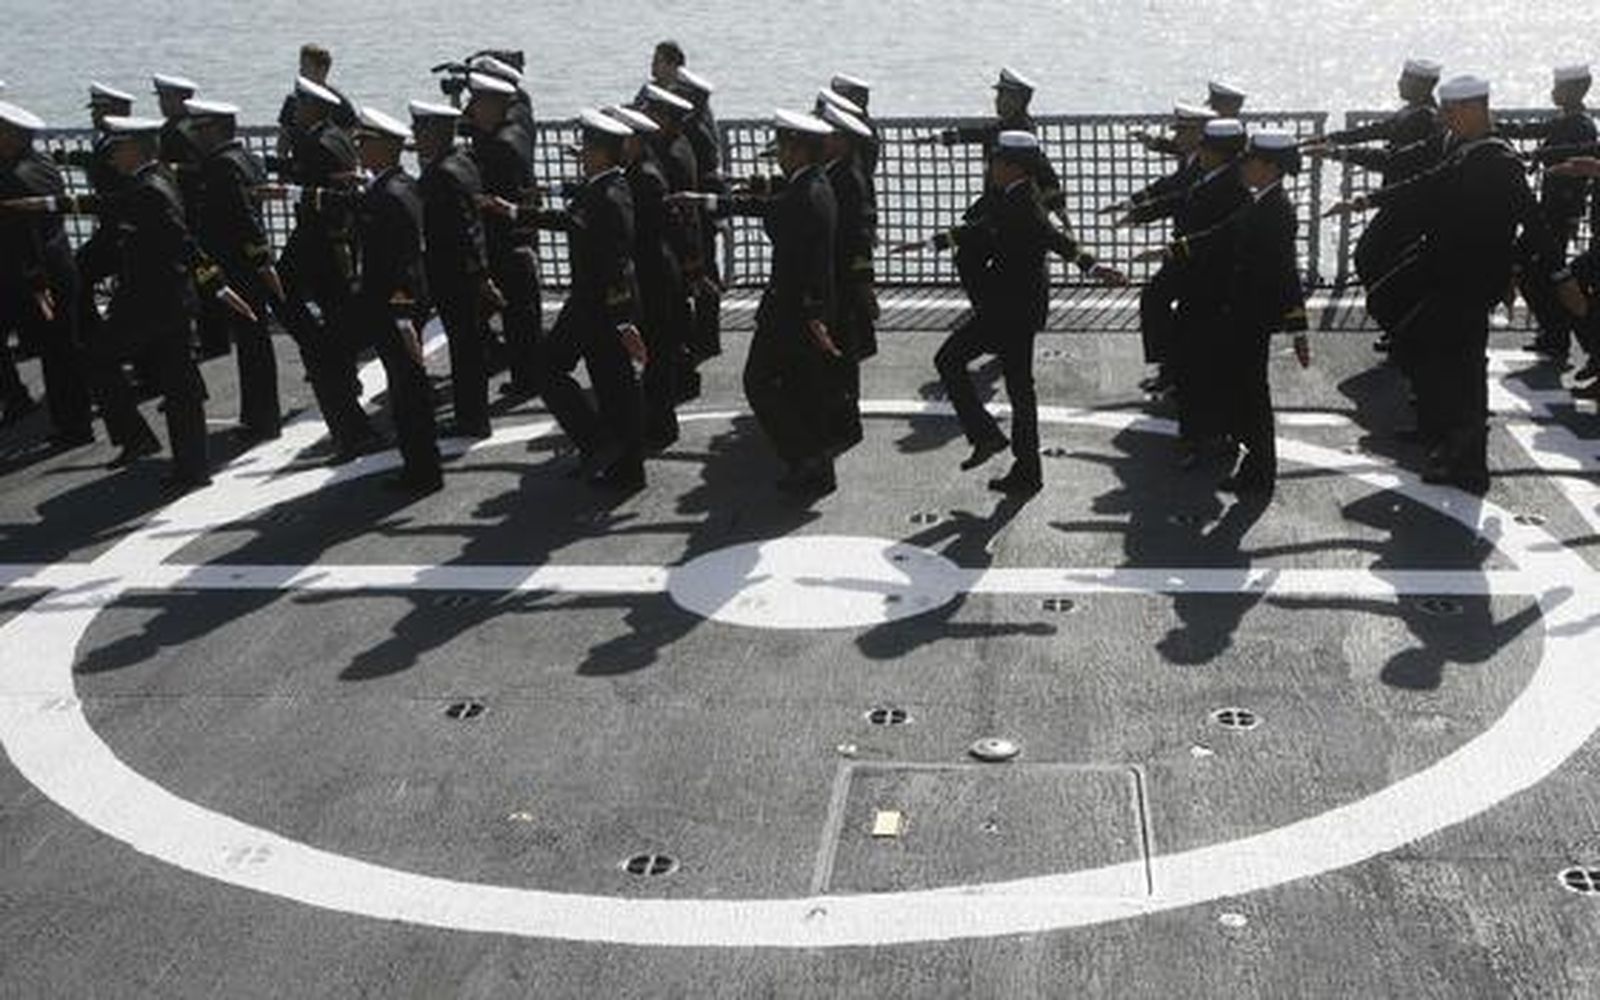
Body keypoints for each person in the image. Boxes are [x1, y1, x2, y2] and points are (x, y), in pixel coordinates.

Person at [1328, 75, 1588, 493]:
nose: (1444, 118)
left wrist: (1560, 277)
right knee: (1407, 324)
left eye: (1451, 112)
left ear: (1473, 110)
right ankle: (1436, 428)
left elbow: (1533, 220)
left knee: (1462, 365)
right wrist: (1364, 201)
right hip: (1442, 266)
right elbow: (1423, 182)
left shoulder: (1498, 159)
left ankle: (1468, 463)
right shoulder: (1458, 147)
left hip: (1473, 278)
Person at [1, 115, 257, 489]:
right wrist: (46, 203)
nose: (111, 158)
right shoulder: (155, 179)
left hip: (151, 303)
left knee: (99, 360)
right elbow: (109, 204)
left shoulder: (150, 189)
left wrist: (217, 285)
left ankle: (140, 439)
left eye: (117, 149)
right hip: (168, 300)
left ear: (135, 149)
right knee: (180, 386)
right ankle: (189, 467)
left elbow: (181, 241)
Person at [897, 131, 1125, 495]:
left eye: (996, 161)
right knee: (1019, 388)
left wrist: (1095, 268)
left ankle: (989, 438)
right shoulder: (1016, 195)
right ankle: (1024, 468)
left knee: (951, 360)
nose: (991, 167)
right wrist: (930, 243)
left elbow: (1054, 240)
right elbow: (981, 230)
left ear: (1013, 167)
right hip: (1017, 307)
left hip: (1009, 310)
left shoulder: (1023, 205)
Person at [677, 109, 842, 496]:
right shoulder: (813, 185)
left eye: (784, 146)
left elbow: (787, 229)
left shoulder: (806, 195)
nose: (779, 154)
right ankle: (816, 465)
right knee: (802, 388)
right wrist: (706, 200)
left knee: (759, 382)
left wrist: (813, 313)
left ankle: (805, 458)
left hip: (793, 312)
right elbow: (770, 205)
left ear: (799, 150)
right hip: (800, 309)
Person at [487, 110, 648, 491]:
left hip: (601, 308)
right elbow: (571, 221)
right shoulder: (604, 188)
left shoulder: (609, 196)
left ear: (600, 153)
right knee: (612, 387)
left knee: (560, 372)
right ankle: (619, 462)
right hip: (594, 306)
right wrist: (514, 211)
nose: (581, 155)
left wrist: (625, 321)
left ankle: (605, 449)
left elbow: (616, 262)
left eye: (586, 148)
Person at [1145, 130, 1312, 495]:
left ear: (1269, 167)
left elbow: (1286, 272)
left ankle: (1260, 473)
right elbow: (1222, 233)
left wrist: (1298, 330)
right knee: (1242, 391)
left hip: (1251, 318)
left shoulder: (1277, 212)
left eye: (1251, 160)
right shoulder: (1262, 202)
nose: (1245, 166)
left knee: (1252, 395)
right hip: (1239, 314)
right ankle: (1253, 466)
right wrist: (1172, 251)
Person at [264, 75, 379, 460]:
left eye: (299, 104)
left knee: (280, 291)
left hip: (316, 239)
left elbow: (310, 182)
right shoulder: (339, 137)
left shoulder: (315, 144)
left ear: (311, 107)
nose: (294, 110)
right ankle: (338, 366)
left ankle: (321, 353)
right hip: (337, 243)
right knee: (336, 312)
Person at [1306, 58, 1445, 356]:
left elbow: (1393, 159)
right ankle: (1401, 327)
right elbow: (1376, 130)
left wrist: (1338, 152)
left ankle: (1403, 326)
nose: (1399, 83)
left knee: (1372, 259)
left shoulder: (1424, 118)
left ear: (1422, 85)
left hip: (1411, 206)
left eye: (1406, 79)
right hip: (1398, 202)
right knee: (1380, 261)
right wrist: (1331, 138)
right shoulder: (1412, 113)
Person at [185, 98, 284, 441]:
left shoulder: (221, 167)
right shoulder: (247, 159)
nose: (194, 138)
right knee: (255, 344)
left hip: (234, 267)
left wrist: (260, 260)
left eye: (197, 130)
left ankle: (261, 420)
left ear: (211, 130)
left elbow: (243, 218)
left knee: (251, 345)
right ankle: (261, 415)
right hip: (247, 265)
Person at [1104, 101, 1216, 394]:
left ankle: (1175, 371)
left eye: (1183, 131)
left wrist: (1135, 210)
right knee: (1164, 303)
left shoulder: (1205, 165)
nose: (1177, 136)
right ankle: (1173, 369)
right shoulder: (1195, 157)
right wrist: (1132, 205)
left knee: (1161, 301)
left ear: (1200, 133)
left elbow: (1175, 192)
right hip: (1185, 247)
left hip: (1197, 251)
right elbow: (1169, 183)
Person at [0, 100, 94, 447]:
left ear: (11, 136)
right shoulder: (41, 163)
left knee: (59, 355)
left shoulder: (13, 177)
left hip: (35, 278)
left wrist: (37, 285)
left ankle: (73, 427)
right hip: (53, 269)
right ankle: (63, 418)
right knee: (63, 351)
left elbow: (25, 237)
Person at [411, 99, 500, 440]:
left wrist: (478, 277)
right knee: (469, 348)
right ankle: (474, 415)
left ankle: (471, 419)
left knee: (464, 350)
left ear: (435, 131)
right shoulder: (463, 163)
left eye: (421, 128)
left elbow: (459, 231)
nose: (417, 135)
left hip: (451, 274)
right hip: (468, 272)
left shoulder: (439, 175)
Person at [605, 104, 691, 452]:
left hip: (654, 274)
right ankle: (656, 421)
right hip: (653, 271)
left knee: (657, 354)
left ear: (635, 142)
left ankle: (661, 425)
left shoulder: (645, 179)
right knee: (656, 352)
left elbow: (664, 227)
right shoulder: (641, 172)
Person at [1504, 64, 1597, 367]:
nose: (1554, 91)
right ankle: (1554, 333)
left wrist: (1537, 157)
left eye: (1559, 87)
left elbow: (1574, 153)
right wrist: (1498, 128)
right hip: (1548, 210)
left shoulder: (1582, 125)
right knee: (1534, 270)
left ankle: (1559, 333)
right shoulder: (1564, 120)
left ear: (1574, 90)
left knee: (1539, 270)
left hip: (1561, 211)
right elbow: (1532, 132)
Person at [464, 71, 542, 398]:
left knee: (509, 313)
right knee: (521, 317)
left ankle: (523, 375)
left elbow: (492, 195)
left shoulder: (498, 148)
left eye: (477, 102)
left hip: (502, 240)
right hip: (519, 237)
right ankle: (526, 375)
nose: (471, 109)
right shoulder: (515, 134)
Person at [931, 68, 1068, 216]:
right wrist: (945, 137)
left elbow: (1040, 165)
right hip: (1000, 202)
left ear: (1018, 100)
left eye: (1003, 95)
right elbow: (984, 134)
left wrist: (1054, 197)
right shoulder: (1008, 125)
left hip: (1012, 206)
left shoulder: (1020, 129)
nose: (997, 100)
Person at [672, 66, 726, 368]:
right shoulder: (704, 122)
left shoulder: (691, 129)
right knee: (708, 271)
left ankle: (704, 337)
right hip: (705, 209)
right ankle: (708, 337)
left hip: (697, 210)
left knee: (702, 273)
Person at [275, 44, 358, 169]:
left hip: (331, 166)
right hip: (301, 164)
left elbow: (350, 142)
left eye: (306, 66)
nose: (301, 71)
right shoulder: (292, 100)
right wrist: (282, 165)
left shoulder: (339, 103)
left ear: (323, 70)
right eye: (301, 66)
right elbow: (284, 138)